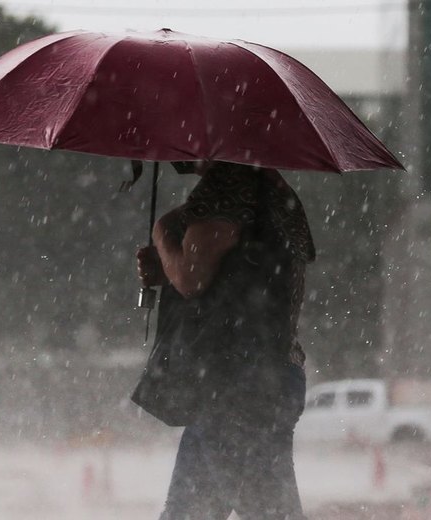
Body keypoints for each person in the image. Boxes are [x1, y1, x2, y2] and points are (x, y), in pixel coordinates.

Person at [134, 160, 315, 520]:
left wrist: (161, 235)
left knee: (268, 512)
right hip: (259, 378)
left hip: (233, 386)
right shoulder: (272, 188)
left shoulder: (228, 186)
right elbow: (230, 276)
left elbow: (191, 277)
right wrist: (168, 263)